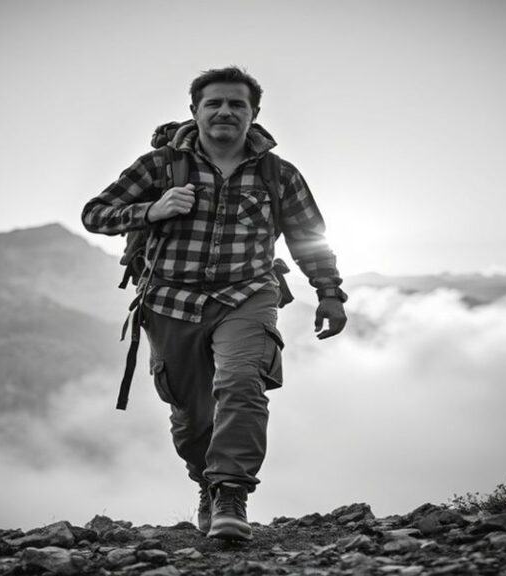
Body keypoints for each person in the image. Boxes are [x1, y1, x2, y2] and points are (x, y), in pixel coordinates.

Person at [81, 67, 347, 541]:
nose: (225, 111)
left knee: (243, 382)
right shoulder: (159, 167)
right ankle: (206, 481)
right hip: (169, 300)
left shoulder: (278, 174)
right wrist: (150, 210)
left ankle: (231, 495)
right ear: (195, 112)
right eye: (214, 104)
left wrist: (329, 293)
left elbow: (309, 238)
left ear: (254, 114)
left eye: (237, 104)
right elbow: (94, 214)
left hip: (247, 294)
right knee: (190, 414)